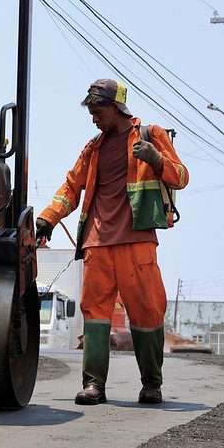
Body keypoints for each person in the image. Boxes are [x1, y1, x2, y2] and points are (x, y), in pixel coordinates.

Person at [35, 79, 189, 406]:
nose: (94, 118)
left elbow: (181, 176)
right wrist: (48, 218)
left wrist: (157, 159)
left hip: (137, 241)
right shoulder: (93, 149)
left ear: (117, 107)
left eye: (98, 111)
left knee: (147, 312)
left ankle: (151, 385)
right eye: (91, 112)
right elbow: (70, 188)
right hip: (97, 243)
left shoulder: (151, 136)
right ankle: (93, 385)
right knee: (95, 314)